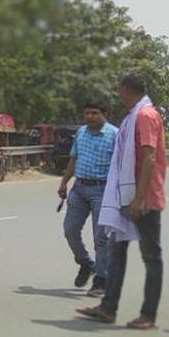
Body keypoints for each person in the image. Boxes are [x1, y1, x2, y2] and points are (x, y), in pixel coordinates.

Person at [77, 72, 167, 330]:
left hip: (143, 198)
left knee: (151, 256)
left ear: (126, 89)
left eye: (119, 89)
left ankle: (148, 314)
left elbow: (149, 157)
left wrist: (138, 198)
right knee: (116, 251)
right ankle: (108, 307)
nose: (118, 94)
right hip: (127, 196)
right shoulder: (133, 116)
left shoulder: (145, 116)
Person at [58, 101, 118, 297]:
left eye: (94, 113)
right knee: (70, 229)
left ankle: (101, 279)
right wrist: (64, 182)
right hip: (79, 188)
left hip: (103, 190)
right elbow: (74, 159)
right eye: (87, 113)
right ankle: (85, 262)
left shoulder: (115, 135)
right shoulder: (81, 133)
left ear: (104, 114)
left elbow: (121, 165)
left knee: (101, 238)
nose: (89, 117)